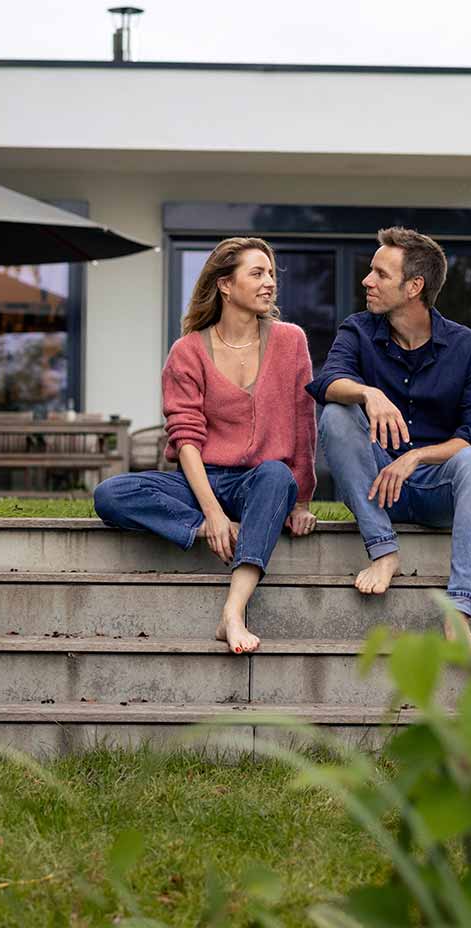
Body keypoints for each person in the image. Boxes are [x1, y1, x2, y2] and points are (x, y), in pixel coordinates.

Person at [93, 237, 318, 654]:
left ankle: (232, 613)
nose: (269, 282)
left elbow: (304, 422)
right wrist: (212, 517)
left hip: (260, 481)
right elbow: (186, 439)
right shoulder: (188, 351)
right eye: (257, 273)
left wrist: (301, 500)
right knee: (110, 493)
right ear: (225, 285)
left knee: (276, 474)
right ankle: (234, 529)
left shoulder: (291, 342)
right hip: (201, 483)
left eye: (271, 273)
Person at [307, 226, 471, 652]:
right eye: (370, 271)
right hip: (377, 486)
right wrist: (368, 393)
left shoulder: (469, 348)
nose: (366, 281)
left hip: (435, 488)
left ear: (414, 287)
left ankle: (459, 613)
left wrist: (416, 458)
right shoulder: (357, 330)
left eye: (379, 274)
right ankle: (383, 550)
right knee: (338, 414)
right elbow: (327, 383)